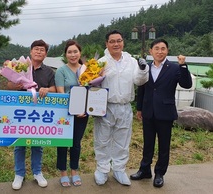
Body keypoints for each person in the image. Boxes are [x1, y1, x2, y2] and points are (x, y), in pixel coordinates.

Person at [130, 39, 192, 188]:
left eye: (163, 48)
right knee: (147, 143)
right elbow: (142, 89)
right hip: (148, 112)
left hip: (165, 112)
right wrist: (139, 108)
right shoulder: (146, 67)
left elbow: (187, 84)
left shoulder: (174, 68)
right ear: (151, 51)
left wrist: (183, 65)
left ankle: (159, 173)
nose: (160, 51)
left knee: (164, 146)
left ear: (167, 51)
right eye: (156, 48)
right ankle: (145, 170)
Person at [93, 30, 149, 186]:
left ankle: (119, 169)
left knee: (122, 139)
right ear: (107, 44)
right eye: (112, 41)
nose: (116, 44)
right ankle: (102, 169)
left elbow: (139, 80)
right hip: (105, 106)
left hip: (124, 106)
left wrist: (143, 69)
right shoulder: (101, 61)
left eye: (118, 41)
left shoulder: (131, 61)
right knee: (102, 139)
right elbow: (93, 82)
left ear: (123, 42)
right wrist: (94, 76)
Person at [7, 39, 56, 190]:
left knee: (37, 143)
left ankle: (37, 172)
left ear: (46, 54)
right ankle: (19, 174)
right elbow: (9, 86)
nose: (39, 52)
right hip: (21, 113)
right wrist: (16, 85)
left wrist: (47, 90)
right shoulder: (21, 67)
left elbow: (55, 88)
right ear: (31, 51)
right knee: (19, 144)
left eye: (42, 50)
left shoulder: (49, 71)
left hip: (39, 114)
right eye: (36, 49)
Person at [55, 40, 89, 187]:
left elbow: (91, 92)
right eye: (70, 52)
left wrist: (85, 109)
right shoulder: (61, 71)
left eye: (75, 51)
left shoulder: (87, 69)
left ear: (79, 53)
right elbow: (61, 94)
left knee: (76, 143)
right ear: (65, 54)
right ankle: (63, 172)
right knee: (63, 143)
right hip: (65, 113)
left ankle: (74, 171)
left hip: (82, 114)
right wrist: (73, 110)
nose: (73, 54)